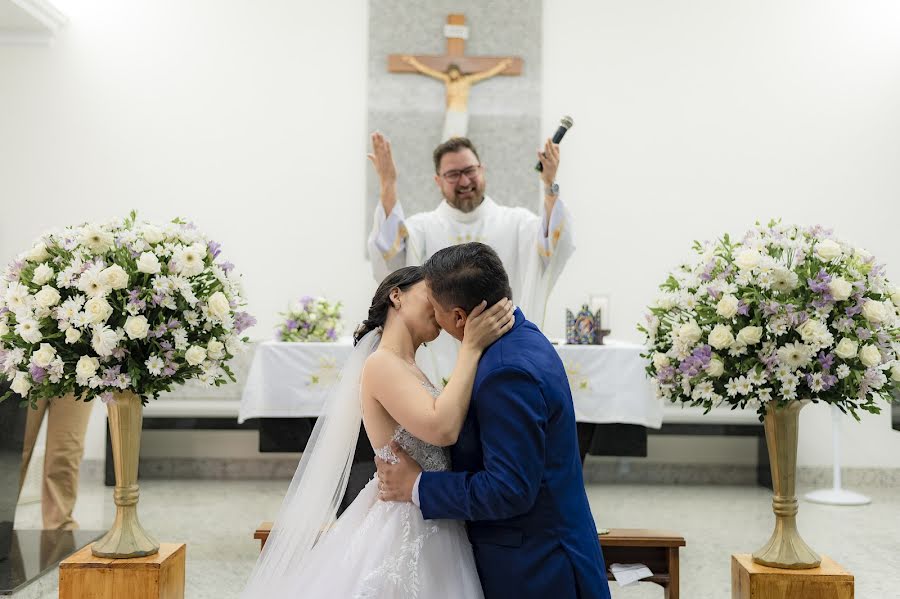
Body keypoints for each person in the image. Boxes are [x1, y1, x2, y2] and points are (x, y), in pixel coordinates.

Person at [241, 266, 514, 598]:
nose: (440, 303)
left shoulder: (412, 368)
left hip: (434, 514)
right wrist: (470, 349)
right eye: (432, 293)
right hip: (406, 525)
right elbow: (441, 429)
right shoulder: (382, 363)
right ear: (396, 296)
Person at [377, 243, 611, 599]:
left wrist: (416, 486)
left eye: (435, 309)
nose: (433, 320)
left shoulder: (506, 371)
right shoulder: (521, 335)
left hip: (537, 569)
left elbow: (509, 490)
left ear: (458, 317)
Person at [367, 134, 574, 384]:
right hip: (441, 354)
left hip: (504, 352)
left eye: (469, 170)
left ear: (482, 169)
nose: (464, 181)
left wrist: (550, 184)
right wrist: (388, 184)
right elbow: (391, 255)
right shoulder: (422, 228)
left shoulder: (516, 222)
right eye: (453, 174)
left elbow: (553, 241)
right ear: (438, 180)